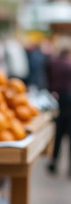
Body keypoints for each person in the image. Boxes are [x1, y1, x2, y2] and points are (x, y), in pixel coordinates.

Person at [47, 47, 71, 175]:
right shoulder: (69, 64)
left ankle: (53, 162)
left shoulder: (52, 63)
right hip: (69, 98)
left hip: (56, 99)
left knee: (57, 133)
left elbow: (48, 80)